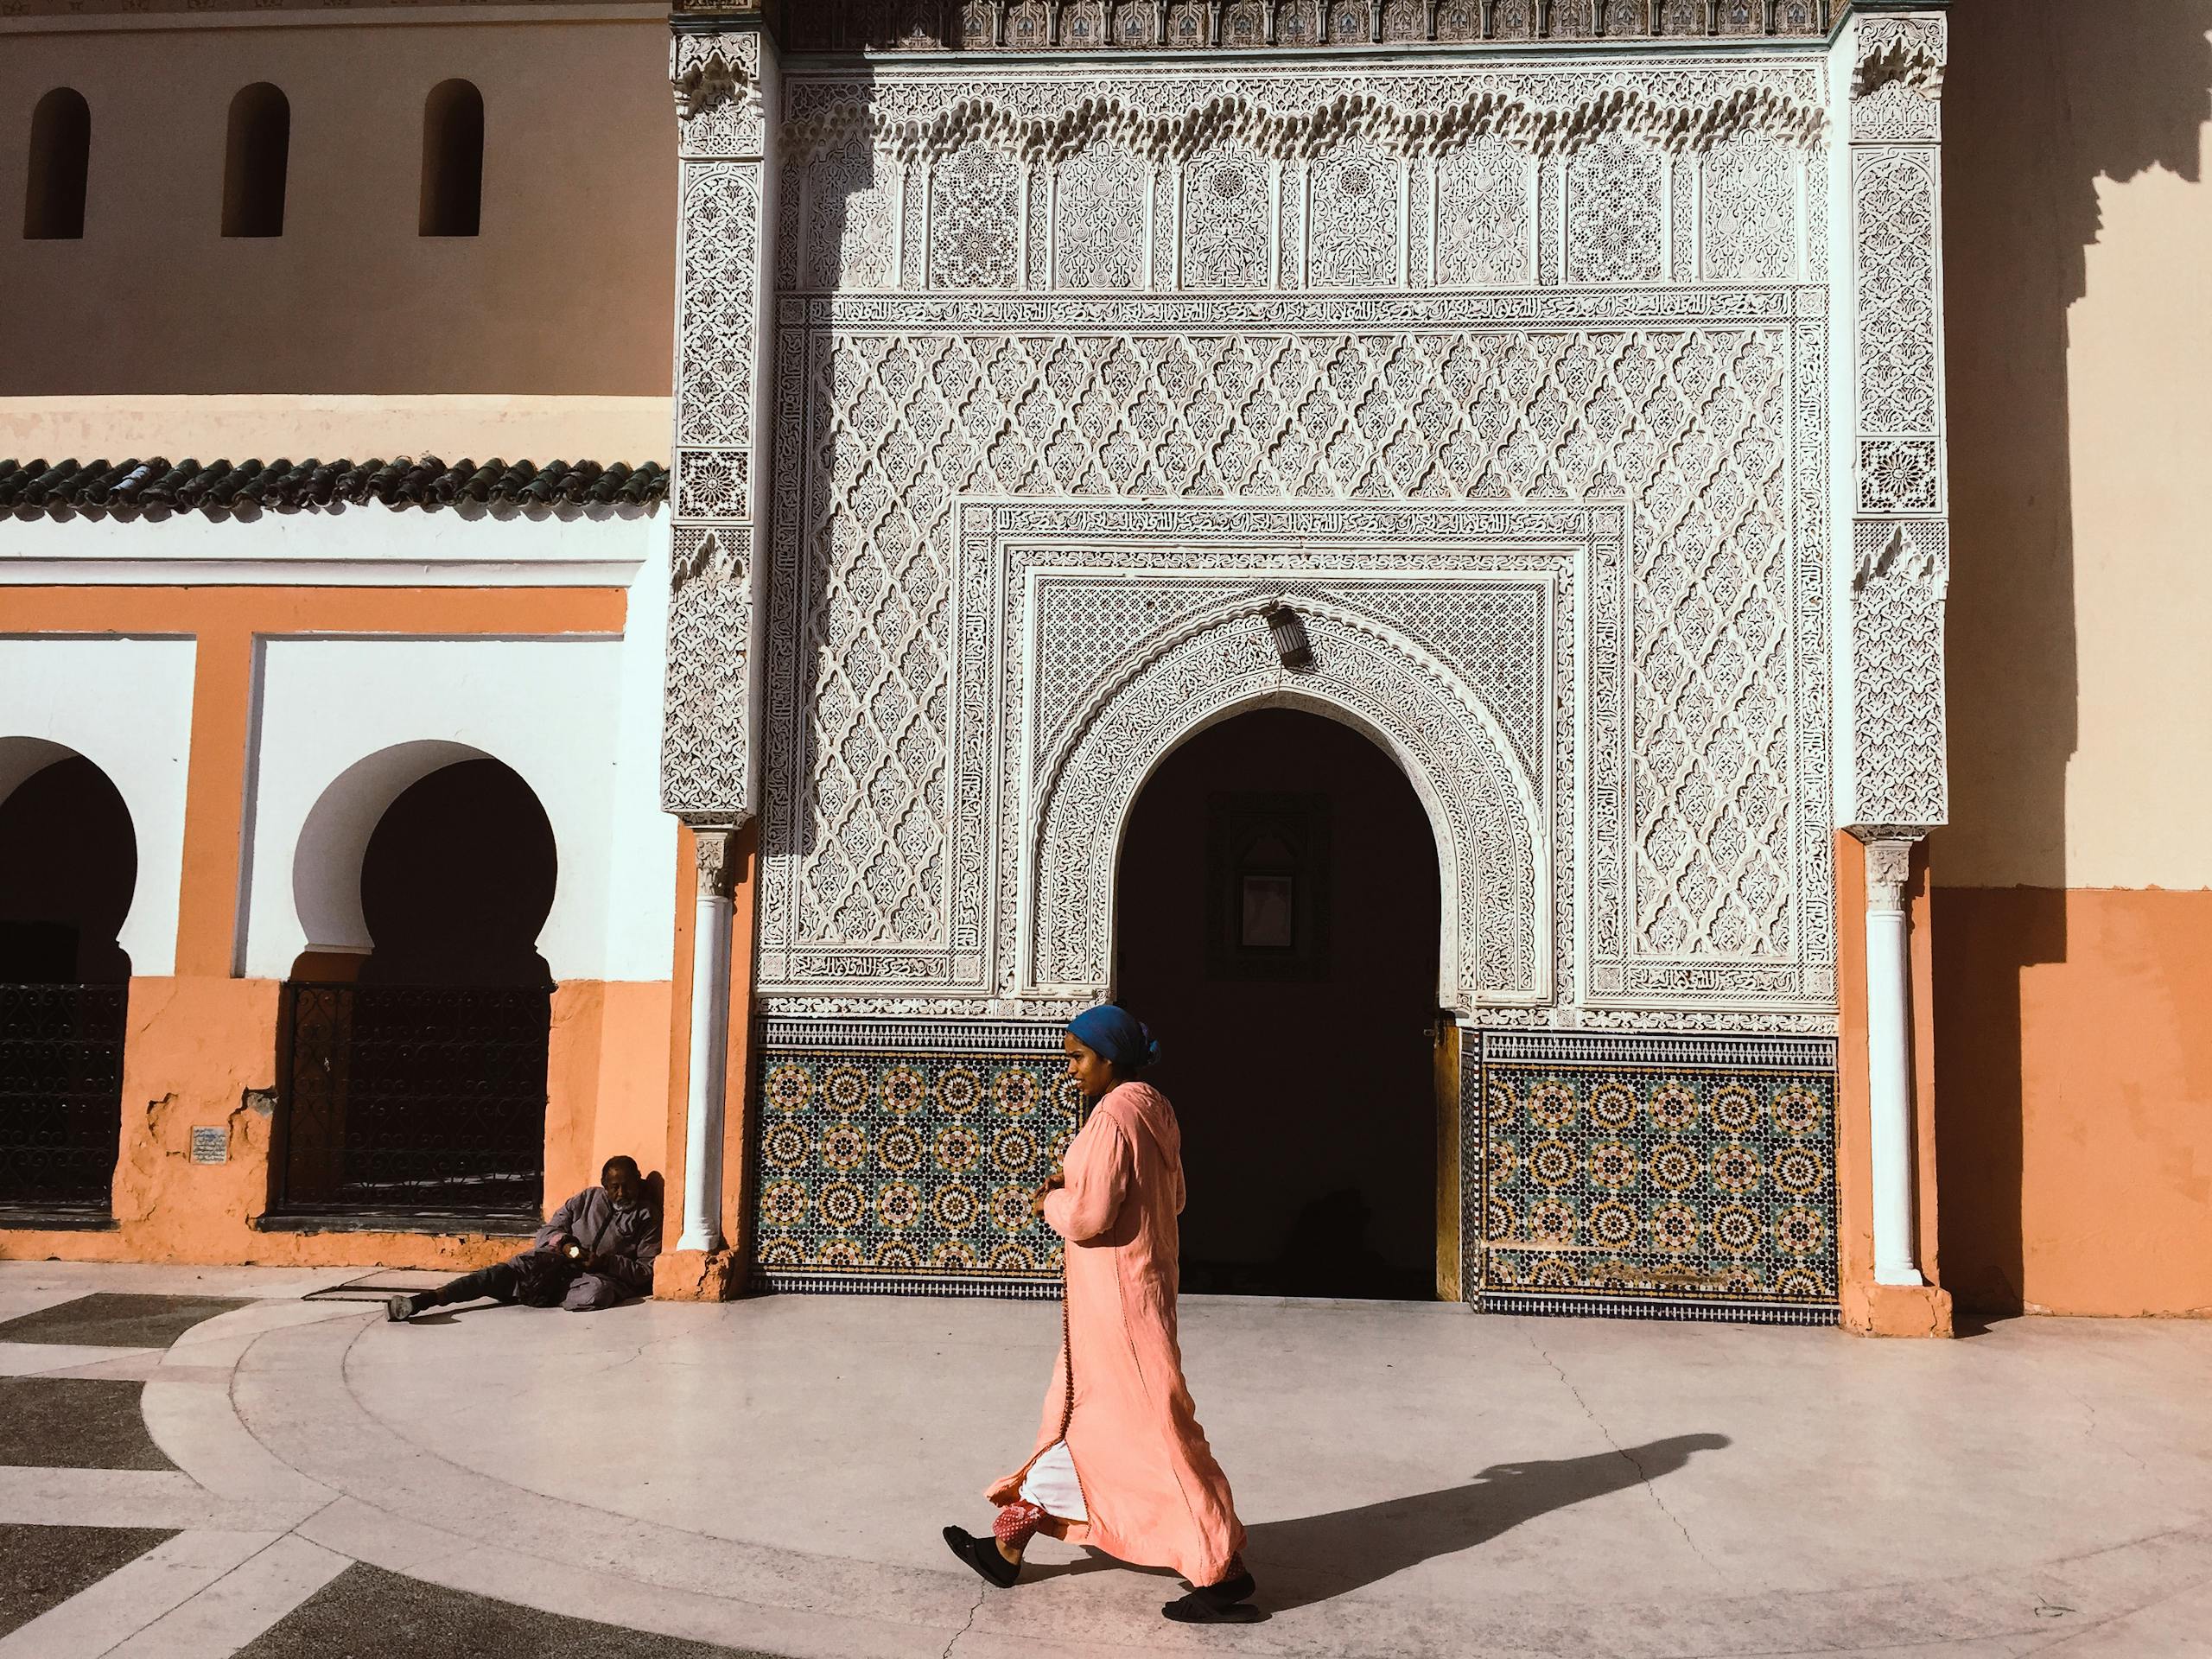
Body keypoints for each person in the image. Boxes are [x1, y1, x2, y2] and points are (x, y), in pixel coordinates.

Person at [942, 1006, 1257, 1624]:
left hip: (1118, 1307)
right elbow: (1175, 1195)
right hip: (1134, 1292)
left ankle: (1224, 1571)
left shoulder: (1112, 1117)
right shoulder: (1155, 1108)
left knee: (1161, 1433)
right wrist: (1079, 1175)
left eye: (1078, 1058)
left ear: (1109, 1059)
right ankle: (1007, 1545)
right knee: (1078, 1423)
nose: (1071, 1070)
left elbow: (1088, 1219)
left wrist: (1051, 1200)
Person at [385, 1155, 660, 1320]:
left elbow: (647, 1271)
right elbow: (548, 1230)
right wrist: (564, 1244)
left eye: (628, 1185)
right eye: (615, 1187)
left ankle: (529, 1291)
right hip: (551, 1263)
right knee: (490, 1277)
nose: (622, 1193)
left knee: (596, 1294)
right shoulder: (588, 1198)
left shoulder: (647, 1215)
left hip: (592, 1278)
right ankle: (422, 1302)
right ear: (604, 1186)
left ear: (639, 1181)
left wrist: (606, 1264)